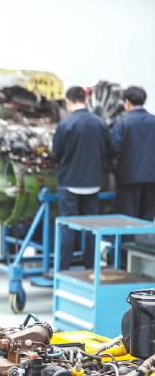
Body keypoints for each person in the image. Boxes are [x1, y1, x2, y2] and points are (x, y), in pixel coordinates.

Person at [53, 86, 111, 270]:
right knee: (91, 227)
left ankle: (63, 269)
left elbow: (56, 154)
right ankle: (91, 267)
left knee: (68, 226)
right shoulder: (100, 123)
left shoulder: (65, 125)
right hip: (94, 183)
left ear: (68, 101)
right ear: (85, 100)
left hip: (70, 183)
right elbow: (108, 151)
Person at [110, 86, 155, 222]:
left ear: (127, 102)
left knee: (128, 218)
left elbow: (113, 148)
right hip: (152, 177)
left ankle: (129, 237)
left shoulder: (122, 123)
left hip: (128, 177)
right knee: (147, 216)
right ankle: (145, 236)